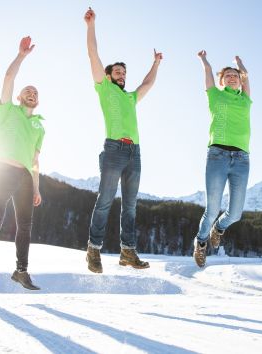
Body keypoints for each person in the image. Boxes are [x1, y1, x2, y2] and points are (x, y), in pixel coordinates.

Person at [84, 7, 162, 273]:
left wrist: (156, 63)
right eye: (117, 71)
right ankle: (93, 250)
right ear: (108, 75)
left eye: (123, 72)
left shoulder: (130, 98)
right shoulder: (104, 89)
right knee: (105, 200)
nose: (121, 75)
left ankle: (127, 252)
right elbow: (93, 54)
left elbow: (147, 85)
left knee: (130, 206)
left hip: (134, 153)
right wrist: (91, 26)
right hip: (114, 149)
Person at [0, 36, 45, 290]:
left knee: (25, 226)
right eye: (28, 90)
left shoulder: (39, 126)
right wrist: (21, 56)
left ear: (37, 101)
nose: (32, 93)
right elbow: (7, 77)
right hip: (2, 171)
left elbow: (35, 161)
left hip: (25, 176)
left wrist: (36, 187)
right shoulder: (7, 110)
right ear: (18, 96)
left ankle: (21, 271)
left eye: (35, 92)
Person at [193, 50, 252, 267]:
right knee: (212, 209)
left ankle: (219, 228)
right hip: (217, 155)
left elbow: (246, 75)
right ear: (222, 80)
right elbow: (208, 72)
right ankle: (200, 243)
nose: (232, 77)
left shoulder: (245, 99)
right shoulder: (215, 96)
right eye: (227, 75)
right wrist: (204, 60)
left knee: (235, 214)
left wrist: (239, 62)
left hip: (242, 159)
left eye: (235, 75)